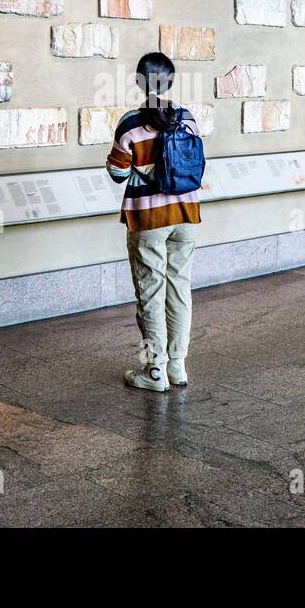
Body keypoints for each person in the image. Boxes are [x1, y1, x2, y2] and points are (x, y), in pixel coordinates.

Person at [106, 52, 202, 392]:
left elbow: (117, 173)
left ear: (138, 81)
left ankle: (155, 371)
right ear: (172, 82)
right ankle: (178, 366)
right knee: (180, 289)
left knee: (150, 292)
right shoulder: (188, 118)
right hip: (186, 215)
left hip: (148, 219)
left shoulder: (130, 124)